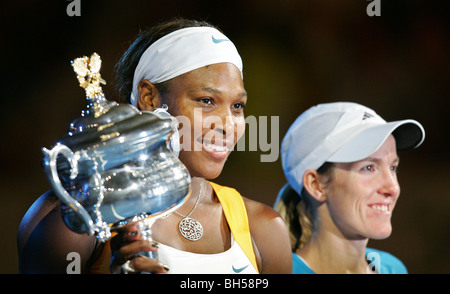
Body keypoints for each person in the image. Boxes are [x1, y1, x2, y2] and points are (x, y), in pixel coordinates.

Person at [17, 18, 292, 274]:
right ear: (149, 98)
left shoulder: (264, 228)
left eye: (237, 106)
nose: (228, 124)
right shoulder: (74, 219)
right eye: (206, 100)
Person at [274, 102, 425, 274]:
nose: (393, 188)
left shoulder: (392, 268)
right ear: (316, 185)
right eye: (368, 168)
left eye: (393, 168)